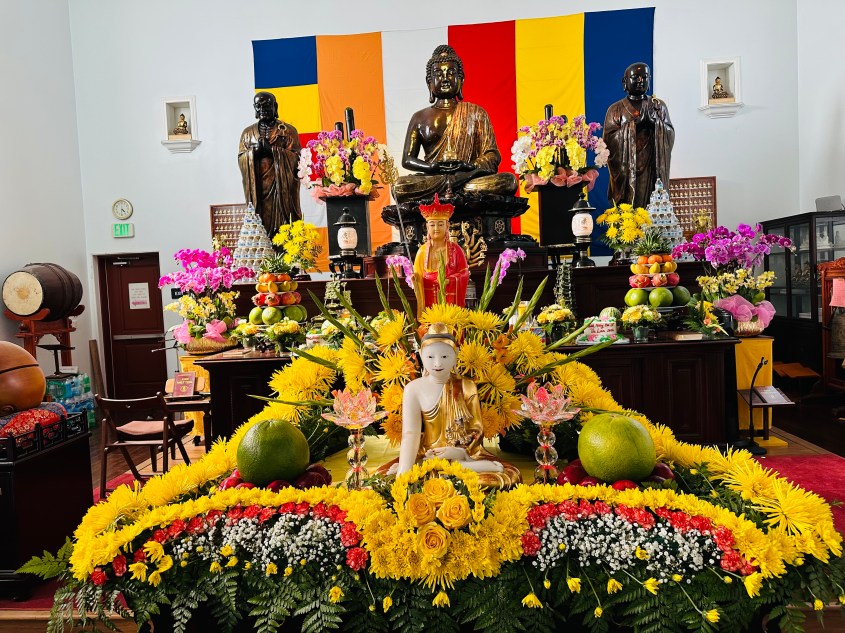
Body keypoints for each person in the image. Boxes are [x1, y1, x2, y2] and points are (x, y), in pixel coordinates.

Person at [383, 323, 522, 489]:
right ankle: (449, 470)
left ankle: (452, 469)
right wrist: (404, 471)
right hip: (428, 455)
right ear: (420, 354)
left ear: (455, 354)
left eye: (444, 356)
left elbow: (476, 429)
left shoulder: (467, 386)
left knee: (507, 477)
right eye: (430, 357)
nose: (437, 363)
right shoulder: (413, 389)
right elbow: (410, 434)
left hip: (462, 454)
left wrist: (458, 451)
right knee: (383, 477)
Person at [393, 45, 517, 203]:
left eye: (451, 73)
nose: (445, 79)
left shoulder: (477, 113)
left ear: (461, 80)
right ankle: (453, 187)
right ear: (429, 82)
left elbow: (492, 156)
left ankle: (454, 186)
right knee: (399, 187)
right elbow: (407, 159)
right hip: (435, 179)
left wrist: (468, 167)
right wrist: (431, 167)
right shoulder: (419, 117)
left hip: (469, 178)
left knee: (508, 181)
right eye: (439, 74)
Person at [604, 62, 675, 209]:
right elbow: (608, 140)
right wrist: (635, 125)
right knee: (629, 209)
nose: (640, 80)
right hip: (626, 171)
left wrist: (655, 124)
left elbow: (670, 133)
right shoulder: (615, 109)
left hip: (652, 167)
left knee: (652, 202)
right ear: (625, 82)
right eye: (635, 77)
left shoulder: (658, 106)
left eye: (644, 77)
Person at [238, 92, 302, 238]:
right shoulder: (248, 133)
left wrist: (272, 151)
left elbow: (297, 158)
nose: (262, 109)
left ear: (275, 106)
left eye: (266, 105)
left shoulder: (288, 131)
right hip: (258, 188)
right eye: (258, 106)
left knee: (285, 227)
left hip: (282, 190)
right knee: (259, 222)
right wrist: (254, 153)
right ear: (254, 108)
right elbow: (241, 158)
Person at [413, 194, 469, 315]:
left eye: (440, 224)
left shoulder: (456, 250)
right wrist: (415, 279)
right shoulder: (422, 251)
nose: (436, 228)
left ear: (447, 226)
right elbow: (417, 275)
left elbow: (465, 273)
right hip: (429, 305)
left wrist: (451, 280)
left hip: (450, 304)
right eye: (432, 225)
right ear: (427, 227)